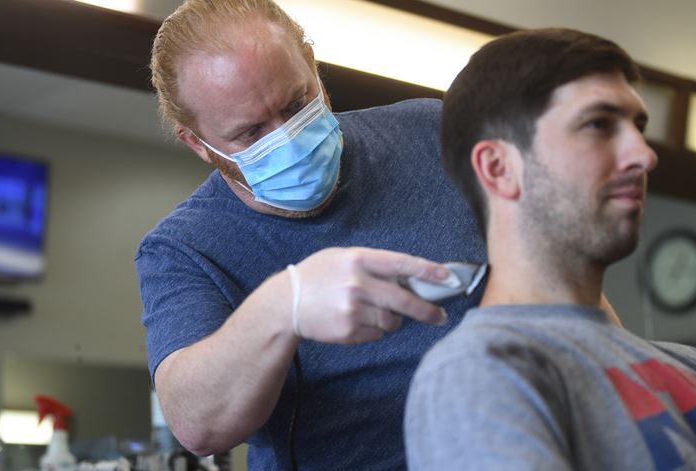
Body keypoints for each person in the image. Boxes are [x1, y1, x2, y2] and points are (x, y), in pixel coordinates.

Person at [136, 1, 617, 469]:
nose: (286, 137)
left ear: (314, 68)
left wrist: (632, 391)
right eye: (250, 132)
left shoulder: (433, 132)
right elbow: (196, 425)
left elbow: (565, 286)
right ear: (197, 143)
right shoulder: (184, 248)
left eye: (296, 102)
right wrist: (283, 306)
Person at [405, 28, 696, 470]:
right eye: (598, 124)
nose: (644, 154)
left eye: (638, 127)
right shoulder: (478, 372)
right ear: (499, 168)